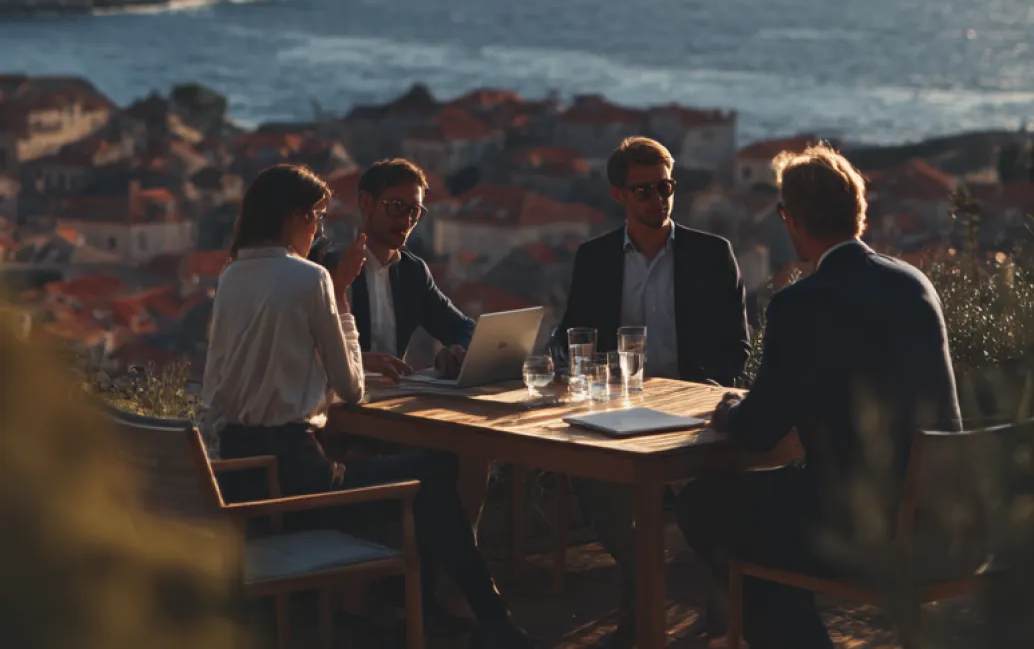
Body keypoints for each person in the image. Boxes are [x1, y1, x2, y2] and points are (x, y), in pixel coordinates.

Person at [203, 163, 535, 649]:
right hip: (300, 482)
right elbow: (353, 387)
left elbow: (220, 383)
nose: (319, 226)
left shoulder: (232, 276)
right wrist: (339, 296)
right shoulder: (314, 276)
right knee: (436, 474)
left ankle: (429, 604)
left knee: (429, 473)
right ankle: (480, 617)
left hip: (242, 472)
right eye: (315, 216)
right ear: (293, 217)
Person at [676, 144, 962, 649]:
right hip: (943, 518)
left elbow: (760, 430)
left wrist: (728, 414)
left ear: (792, 220)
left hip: (860, 523)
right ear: (859, 210)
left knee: (706, 505)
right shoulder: (915, 285)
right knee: (767, 523)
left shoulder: (799, 303)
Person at [553, 136, 750, 644]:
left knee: (706, 493)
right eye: (644, 191)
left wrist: (702, 392)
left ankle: (644, 598)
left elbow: (737, 349)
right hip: (619, 408)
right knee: (590, 474)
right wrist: (565, 367)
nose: (658, 200)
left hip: (694, 408)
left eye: (665, 187)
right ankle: (646, 580)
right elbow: (572, 334)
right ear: (619, 195)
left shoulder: (712, 254)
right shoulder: (595, 258)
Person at [345, 158, 474, 382]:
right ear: (366, 202)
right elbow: (301, 347)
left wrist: (457, 351)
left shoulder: (412, 272)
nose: (406, 220)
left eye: (414, 212)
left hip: (391, 401)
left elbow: (463, 329)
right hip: (337, 405)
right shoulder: (329, 265)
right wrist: (359, 359)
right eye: (396, 206)